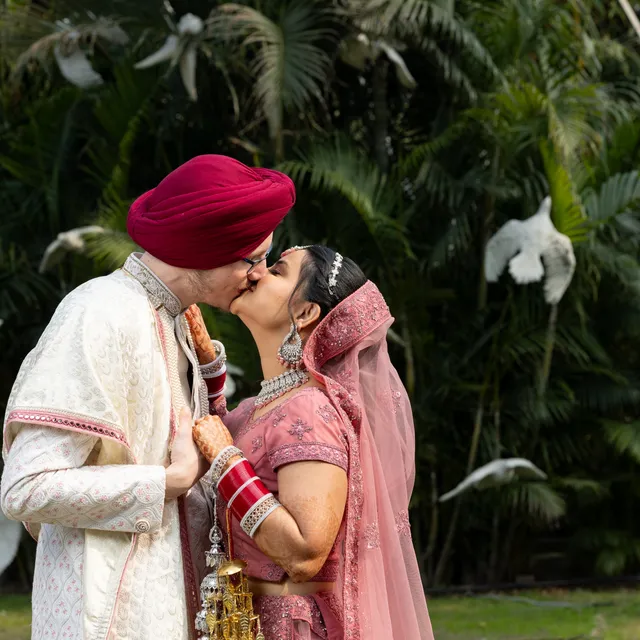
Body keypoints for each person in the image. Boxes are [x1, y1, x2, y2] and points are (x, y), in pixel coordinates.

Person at [0, 154, 296, 640]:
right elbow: (26, 487)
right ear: (205, 249)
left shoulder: (175, 318)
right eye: (254, 258)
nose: (261, 274)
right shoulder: (99, 313)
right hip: (107, 618)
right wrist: (168, 481)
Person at [187, 245, 434, 639]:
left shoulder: (309, 410)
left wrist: (228, 464)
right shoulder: (258, 408)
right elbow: (214, 442)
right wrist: (210, 371)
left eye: (277, 271)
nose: (256, 272)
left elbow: (304, 552)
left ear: (304, 313)